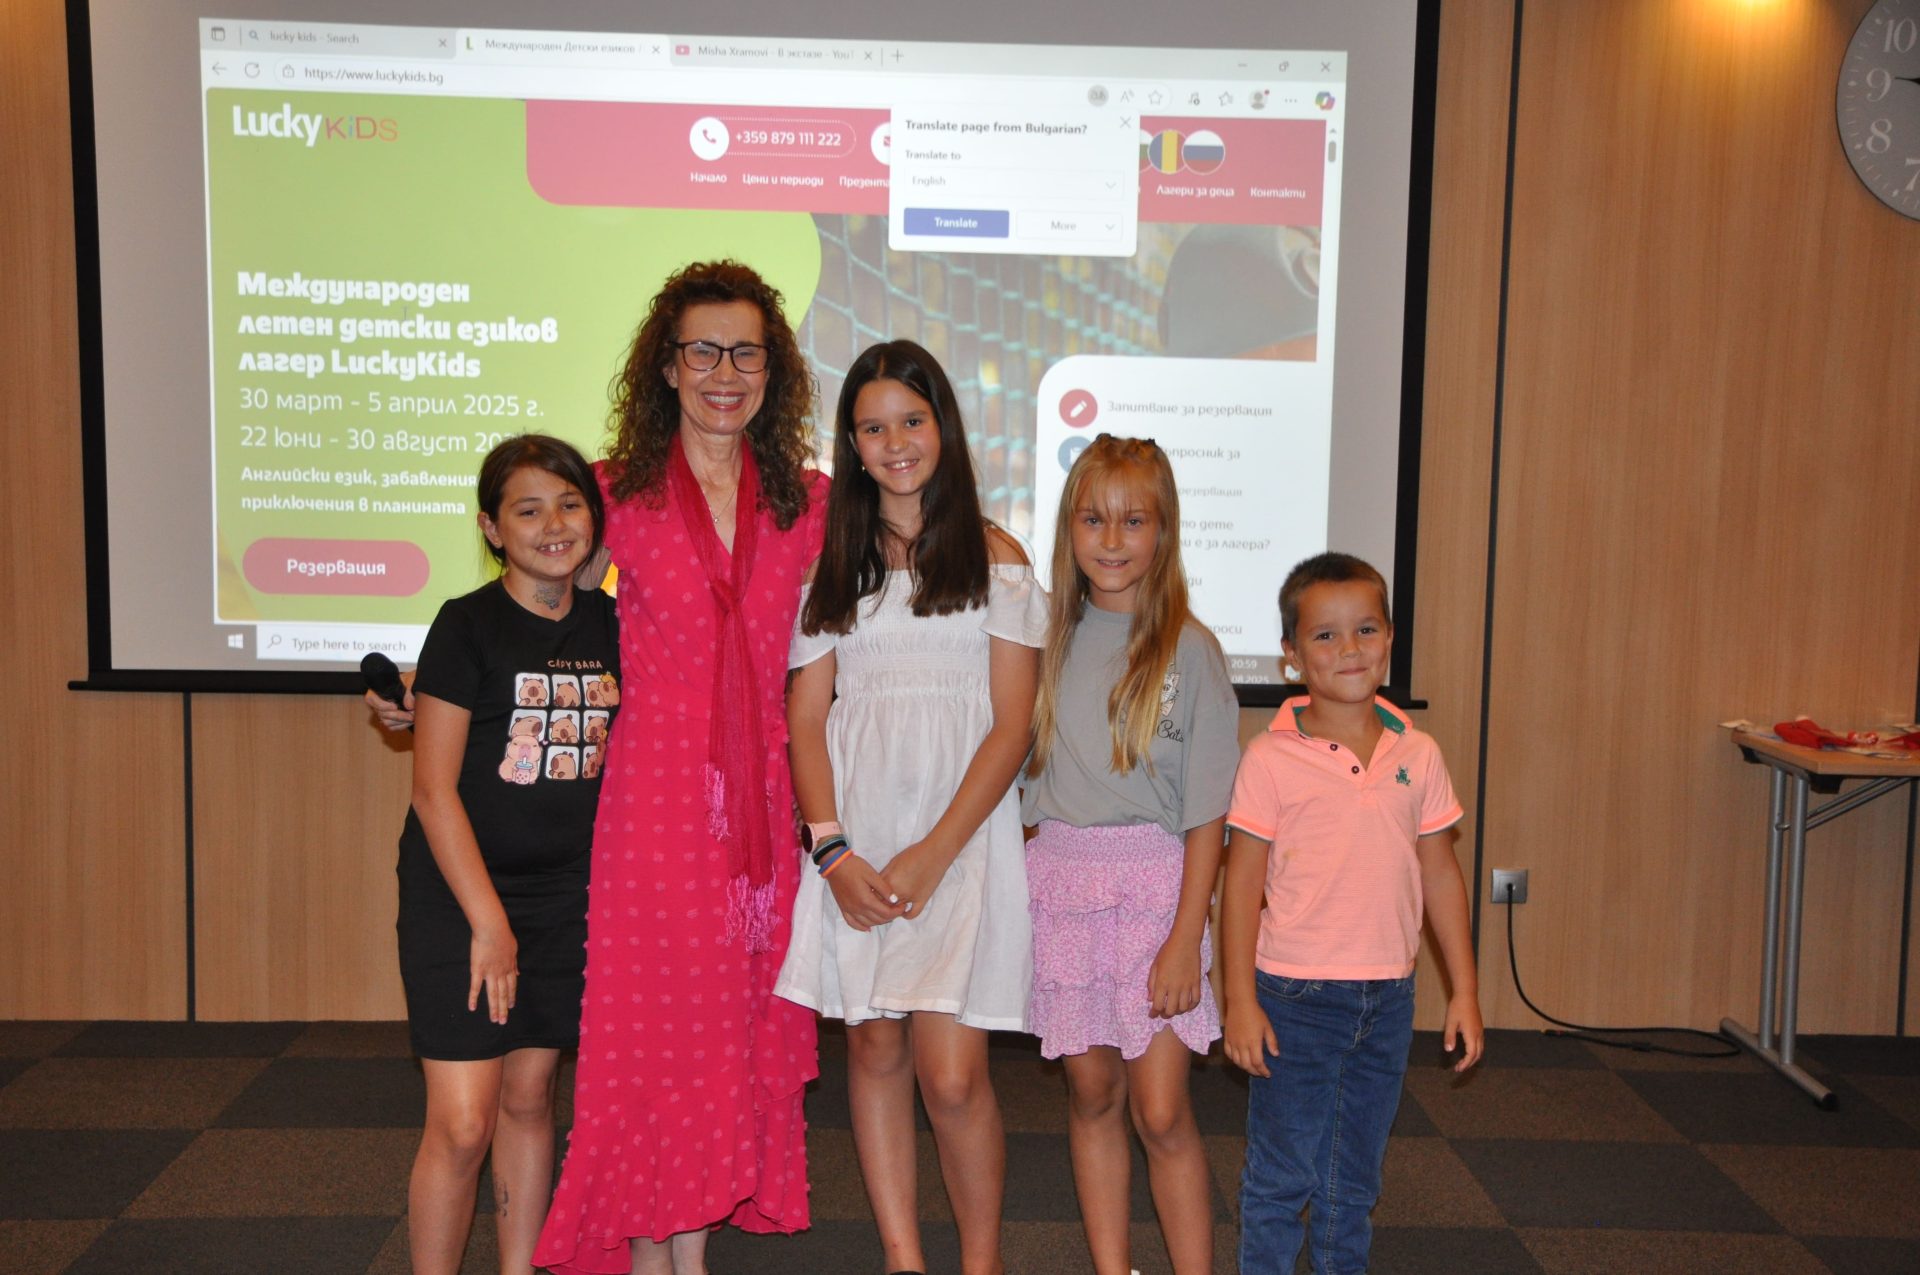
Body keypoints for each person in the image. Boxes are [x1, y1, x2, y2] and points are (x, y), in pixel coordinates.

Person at [528, 261, 829, 1275]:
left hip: (762, 814)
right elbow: (538, 601)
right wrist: (436, 680)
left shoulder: (806, 501)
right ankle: (648, 1248)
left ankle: (684, 1254)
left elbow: (918, 541)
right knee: (654, 1031)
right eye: (703, 350)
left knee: (726, 1034)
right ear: (666, 366)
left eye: (746, 353)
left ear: (773, 371)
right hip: (654, 802)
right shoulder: (615, 493)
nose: (724, 372)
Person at [775, 340, 1043, 1275]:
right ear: (850, 444)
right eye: (873, 427)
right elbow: (807, 719)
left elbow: (1012, 727)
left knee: (954, 1075)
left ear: (945, 427)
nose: (895, 443)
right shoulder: (831, 567)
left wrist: (933, 852)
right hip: (856, 843)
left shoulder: (999, 558)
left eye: (912, 420)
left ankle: (981, 1261)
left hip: (959, 841)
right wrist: (833, 851)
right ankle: (903, 1257)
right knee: (875, 1049)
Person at [1220, 552, 1484, 1275]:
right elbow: (1240, 884)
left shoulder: (1418, 753)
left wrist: (1464, 988)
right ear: (1290, 655)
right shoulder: (1269, 758)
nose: (1349, 649)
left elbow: (1440, 872)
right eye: (1325, 635)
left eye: (1366, 629)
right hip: (1293, 997)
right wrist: (1239, 1000)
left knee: (1354, 1178)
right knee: (1281, 1176)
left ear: (1390, 638)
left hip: (1389, 997)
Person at [396, 434, 618, 1275]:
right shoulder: (466, 624)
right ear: (492, 528)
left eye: (569, 504)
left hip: (567, 899)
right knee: (463, 1122)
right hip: (460, 898)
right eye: (528, 510)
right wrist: (489, 924)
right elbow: (433, 790)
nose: (553, 525)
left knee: (530, 1098)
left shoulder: (614, 623)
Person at [1020, 435, 1239, 1275]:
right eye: (1093, 519)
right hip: (1063, 887)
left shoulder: (1191, 648)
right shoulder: (1045, 637)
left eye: (1133, 520)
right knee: (1092, 1094)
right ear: (1068, 529)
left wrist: (1187, 937)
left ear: (1164, 531)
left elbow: (1208, 815)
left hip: (1157, 896)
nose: (1112, 540)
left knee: (1160, 1109)